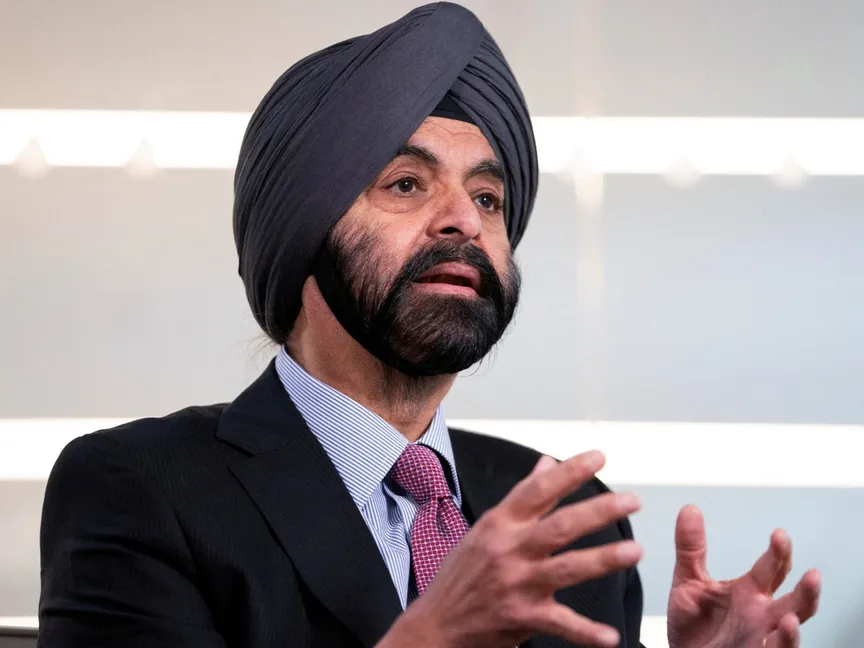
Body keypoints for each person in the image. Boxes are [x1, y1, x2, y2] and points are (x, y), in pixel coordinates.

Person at [37, 3, 820, 647]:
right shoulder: (143, 488)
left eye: (488, 198)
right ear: (302, 235)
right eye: (407, 184)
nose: (465, 222)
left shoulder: (563, 520)